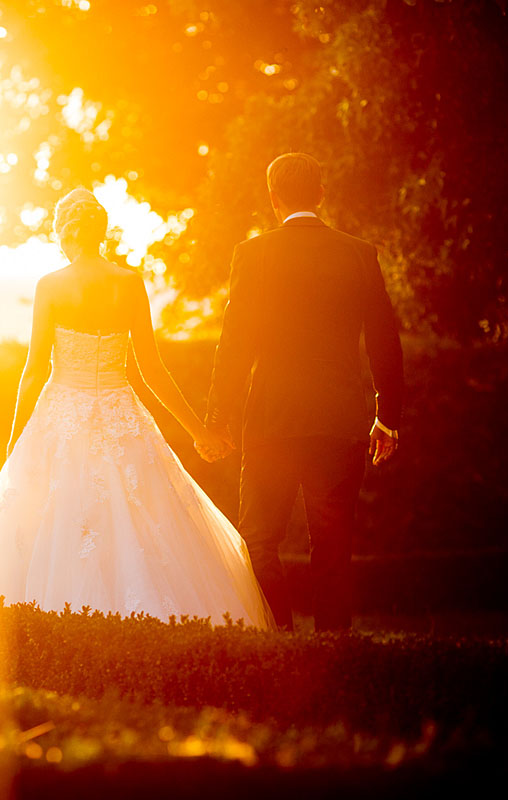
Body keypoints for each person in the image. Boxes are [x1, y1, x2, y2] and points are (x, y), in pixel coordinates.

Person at [0, 188, 274, 629]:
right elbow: (152, 369)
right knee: (139, 525)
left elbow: (34, 371)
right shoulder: (129, 283)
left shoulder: (50, 286)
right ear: (101, 231)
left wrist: (16, 441)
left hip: (61, 418)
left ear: (64, 233)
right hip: (121, 416)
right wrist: (197, 431)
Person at [199, 152, 404, 632]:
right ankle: (333, 650)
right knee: (332, 545)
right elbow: (384, 340)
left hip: (272, 421)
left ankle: (282, 642)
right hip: (338, 423)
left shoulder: (253, 254)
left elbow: (234, 345)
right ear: (321, 193)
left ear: (273, 198)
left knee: (258, 538)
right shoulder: (359, 253)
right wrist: (388, 416)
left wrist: (218, 418)